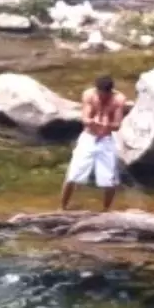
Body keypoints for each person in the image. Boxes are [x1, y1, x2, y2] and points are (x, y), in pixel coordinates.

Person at [61, 76, 127, 211]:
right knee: (73, 175)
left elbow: (117, 125)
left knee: (109, 179)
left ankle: (106, 210)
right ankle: (63, 207)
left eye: (105, 94)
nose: (102, 97)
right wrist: (92, 122)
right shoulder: (89, 95)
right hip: (89, 137)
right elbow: (85, 118)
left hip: (106, 139)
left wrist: (107, 125)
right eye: (100, 93)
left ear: (110, 92)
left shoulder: (118, 99)